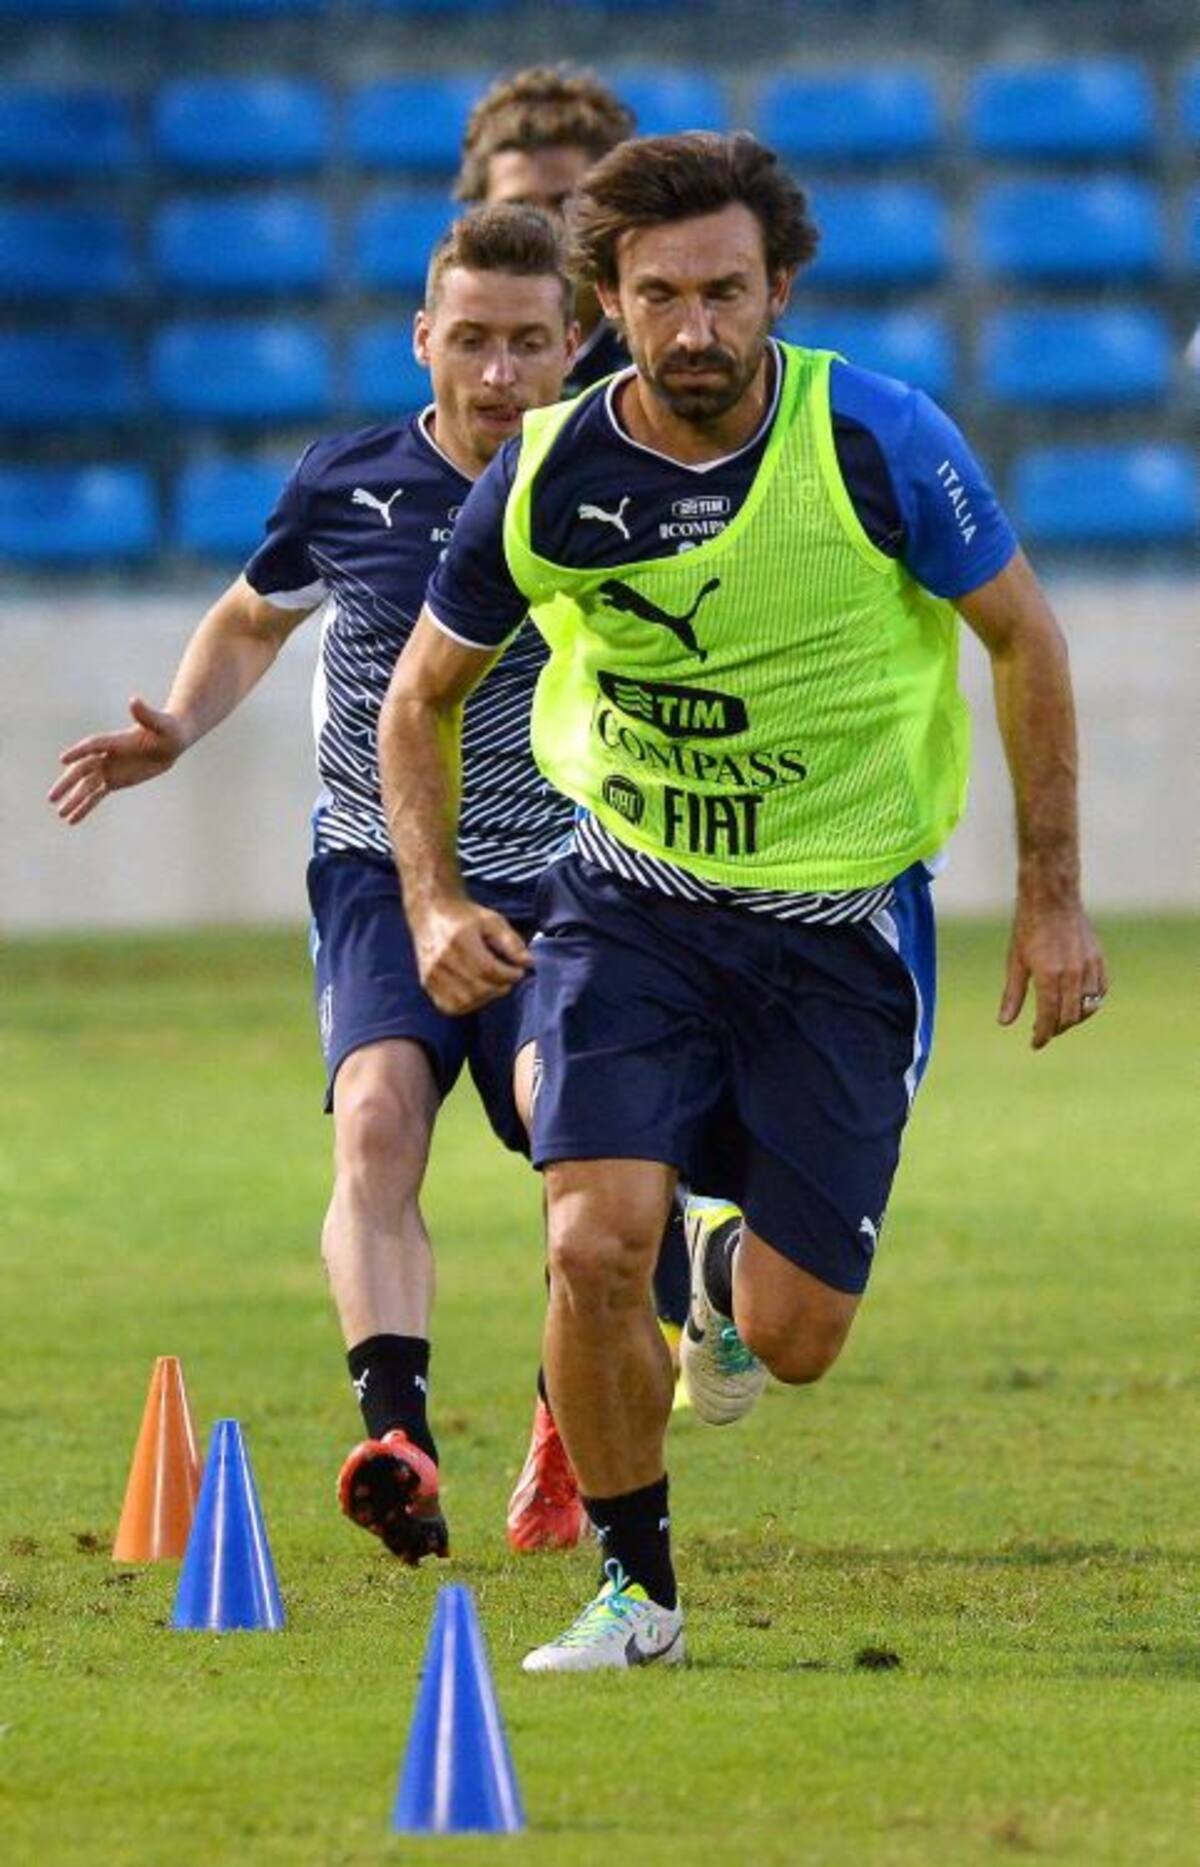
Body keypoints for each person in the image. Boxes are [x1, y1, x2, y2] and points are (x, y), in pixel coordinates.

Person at [376, 130, 1109, 1670]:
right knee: (587, 1239)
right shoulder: (554, 472)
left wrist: (1051, 900)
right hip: (629, 905)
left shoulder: (880, 441)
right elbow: (420, 693)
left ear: (780, 289)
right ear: (606, 306)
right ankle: (637, 1591)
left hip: (840, 930)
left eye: (725, 292)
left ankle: (720, 1273)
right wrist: (434, 899)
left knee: (798, 1336)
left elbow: (1025, 642)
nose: (694, 329)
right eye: (659, 297)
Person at [49, 204, 580, 1567]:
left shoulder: (617, 488)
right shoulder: (348, 481)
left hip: (570, 882)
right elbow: (248, 614)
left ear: (574, 344)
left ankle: (575, 1426)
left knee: (592, 1156)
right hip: (381, 874)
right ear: (424, 340)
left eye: (530, 342)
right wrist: (177, 719)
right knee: (376, 1126)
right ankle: (396, 1434)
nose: (501, 372)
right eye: (472, 339)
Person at [464, 64, 696, 1550]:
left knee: (624, 1170)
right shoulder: (479, 444)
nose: (548, 229)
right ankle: (607, 1443)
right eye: (518, 207)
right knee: (582, 1174)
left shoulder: (730, 421)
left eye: (570, 209)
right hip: (532, 870)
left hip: (718, 857)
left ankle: (595, 1427)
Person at [458, 64, 634, 394]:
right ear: (476, 217)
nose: (543, 227)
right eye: (517, 208)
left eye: (565, 202)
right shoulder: (456, 356)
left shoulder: (655, 359)